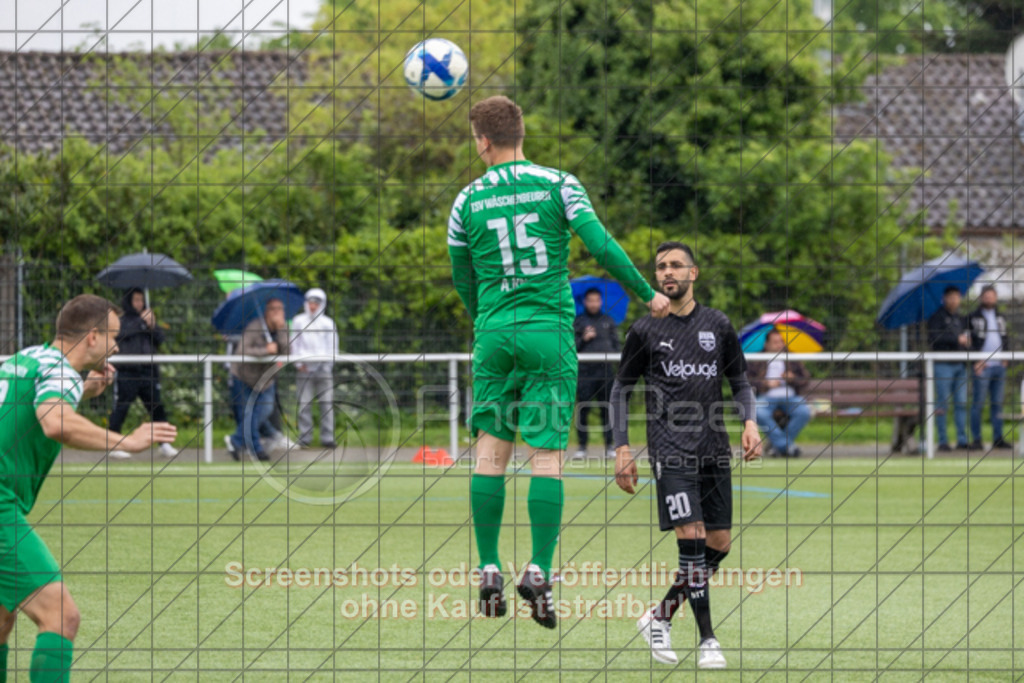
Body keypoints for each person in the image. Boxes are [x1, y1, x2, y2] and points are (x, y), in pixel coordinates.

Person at [447, 95, 670, 628]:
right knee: (546, 458)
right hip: (548, 334)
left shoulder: (466, 200)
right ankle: (539, 570)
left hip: (494, 334)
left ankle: (488, 567)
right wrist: (646, 293)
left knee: (489, 455)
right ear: (521, 133)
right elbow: (603, 246)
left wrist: (486, 321)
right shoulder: (559, 184)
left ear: (483, 141)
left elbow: (462, 276)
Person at [0, 295, 176, 682]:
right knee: (61, 616)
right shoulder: (61, 371)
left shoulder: (28, 358)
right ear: (92, 337)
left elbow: (32, 405)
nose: (116, 346)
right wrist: (126, 441)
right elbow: (55, 422)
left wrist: (83, 388)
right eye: (113, 337)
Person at [611, 242, 761, 669]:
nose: (667, 272)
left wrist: (750, 423)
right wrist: (622, 447)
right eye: (661, 267)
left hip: (714, 447)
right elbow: (620, 389)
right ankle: (708, 640)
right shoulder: (644, 330)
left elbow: (740, 381)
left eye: (676, 265)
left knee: (719, 543)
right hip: (670, 449)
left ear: (693, 273)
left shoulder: (718, 324)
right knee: (692, 538)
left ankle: (658, 615)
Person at [107, 288, 178, 459]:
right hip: (128, 372)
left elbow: (160, 340)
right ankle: (113, 443)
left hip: (148, 372)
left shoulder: (149, 320)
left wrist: (152, 326)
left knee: (157, 408)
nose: (139, 303)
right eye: (136, 300)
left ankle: (164, 443)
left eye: (141, 300)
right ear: (129, 301)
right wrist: (140, 322)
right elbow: (121, 335)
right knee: (121, 408)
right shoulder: (122, 321)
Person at [225, 298, 290, 462]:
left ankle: (236, 440)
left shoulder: (284, 328)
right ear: (267, 312)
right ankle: (257, 449)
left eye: (280, 309)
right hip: (244, 376)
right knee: (249, 413)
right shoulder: (254, 327)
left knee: (264, 410)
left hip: (266, 379)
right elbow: (242, 351)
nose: (277, 312)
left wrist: (281, 332)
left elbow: (287, 352)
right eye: (273, 309)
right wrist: (265, 350)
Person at [747, 330, 812, 458]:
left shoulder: (792, 358)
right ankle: (786, 447)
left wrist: (792, 378)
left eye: (781, 341)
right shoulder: (757, 359)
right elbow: (748, 381)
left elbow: (805, 380)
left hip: (790, 397)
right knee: (758, 412)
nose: (779, 345)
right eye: (775, 342)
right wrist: (766, 384)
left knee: (804, 412)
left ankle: (776, 446)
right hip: (767, 397)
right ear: (766, 344)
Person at [572, 288, 620, 460]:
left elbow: (616, 345)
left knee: (607, 409)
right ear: (585, 302)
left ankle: (609, 446)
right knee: (583, 409)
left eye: (596, 300)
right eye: (590, 300)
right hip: (585, 373)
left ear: (600, 301)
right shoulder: (578, 321)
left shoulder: (608, 320)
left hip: (606, 372)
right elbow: (571, 348)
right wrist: (583, 339)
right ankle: (582, 447)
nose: (593, 304)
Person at [290, 288, 340, 449]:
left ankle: (328, 438)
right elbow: (294, 344)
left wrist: (327, 365)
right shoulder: (298, 321)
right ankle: (305, 438)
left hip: (323, 370)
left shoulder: (328, 323)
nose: (312, 306)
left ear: (322, 304)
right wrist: (299, 364)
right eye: (310, 302)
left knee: (326, 404)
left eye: (316, 303)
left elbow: (333, 347)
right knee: (304, 404)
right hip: (305, 370)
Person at [927, 286, 971, 451]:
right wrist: (955, 339)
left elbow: (967, 338)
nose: (954, 300)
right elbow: (933, 338)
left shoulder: (961, 318)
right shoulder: (936, 317)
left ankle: (962, 439)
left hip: (960, 365)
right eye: (951, 297)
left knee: (961, 403)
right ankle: (943, 440)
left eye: (957, 297)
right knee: (942, 403)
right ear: (945, 298)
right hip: (943, 365)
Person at [969, 285, 1011, 450]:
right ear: (981, 297)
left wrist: (1006, 356)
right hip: (982, 367)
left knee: (997, 404)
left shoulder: (1001, 317)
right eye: (986, 296)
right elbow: (968, 342)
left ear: (996, 297)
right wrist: (976, 360)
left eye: (992, 296)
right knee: (978, 404)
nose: (989, 299)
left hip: (999, 366)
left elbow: (1005, 338)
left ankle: (998, 438)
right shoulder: (972, 317)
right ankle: (977, 439)